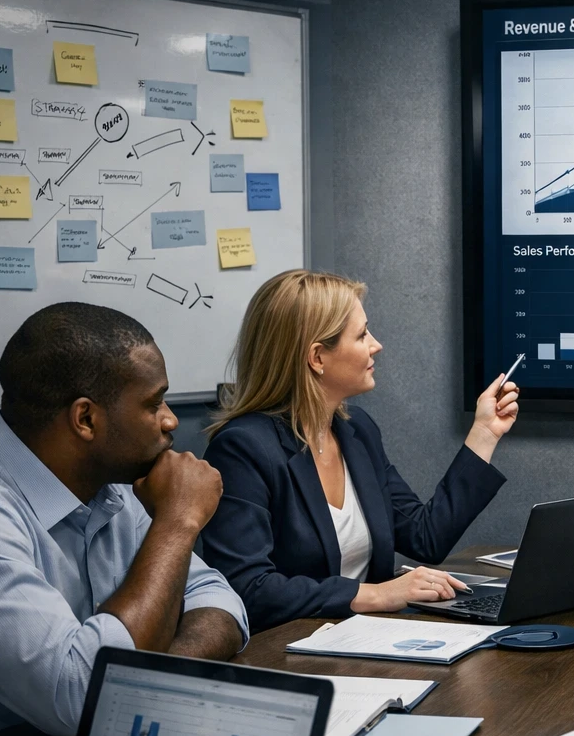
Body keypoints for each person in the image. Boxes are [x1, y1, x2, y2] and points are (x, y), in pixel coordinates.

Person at [0, 303, 247, 736]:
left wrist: (149, 673)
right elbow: (85, 695)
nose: (169, 421)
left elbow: (219, 601)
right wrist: (177, 522)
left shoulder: (108, 483)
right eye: (152, 403)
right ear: (85, 419)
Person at [201, 269, 519, 630]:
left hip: (368, 642)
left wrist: (484, 433)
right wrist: (377, 595)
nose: (376, 345)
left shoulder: (357, 431)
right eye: (362, 334)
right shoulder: (242, 448)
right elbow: (247, 589)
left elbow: (425, 537)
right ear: (317, 357)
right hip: (288, 653)